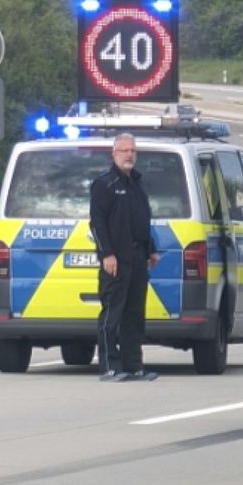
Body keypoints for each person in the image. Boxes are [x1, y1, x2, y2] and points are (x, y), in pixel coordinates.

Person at [90, 133, 161, 382]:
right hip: (116, 259)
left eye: (132, 150)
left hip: (137, 257)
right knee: (112, 313)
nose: (129, 154)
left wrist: (151, 249)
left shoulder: (137, 183)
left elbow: (141, 220)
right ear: (114, 154)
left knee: (134, 314)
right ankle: (109, 365)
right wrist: (106, 254)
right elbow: (97, 223)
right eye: (124, 151)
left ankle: (134, 366)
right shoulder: (105, 184)